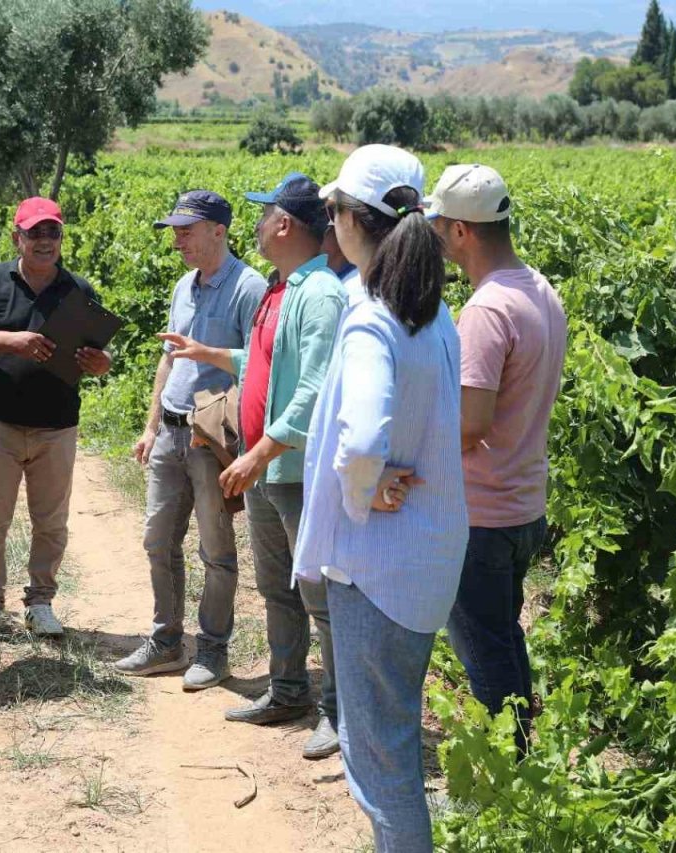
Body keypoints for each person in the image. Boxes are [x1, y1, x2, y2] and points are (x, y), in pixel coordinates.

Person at [296, 144, 468, 851]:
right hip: (427, 559)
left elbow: (362, 437)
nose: (327, 220)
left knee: (382, 762)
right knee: (396, 739)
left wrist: (359, 487)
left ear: (351, 221)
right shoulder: (435, 313)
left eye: (331, 209)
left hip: (377, 568)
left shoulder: (372, 316)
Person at [159, 173, 353, 759]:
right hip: (272, 471)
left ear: (285, 224)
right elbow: (265, 363)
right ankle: (288, 689)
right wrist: (209, 354)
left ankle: (337, 711)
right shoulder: (285, 288)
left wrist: (258, 452)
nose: (258, 225)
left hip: (293, 470)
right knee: (277, 587)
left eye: (264, 214)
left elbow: (315, 387)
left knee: (317, 594)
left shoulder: (319, 294)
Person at [428, 164, 567, 754]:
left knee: (484, 655)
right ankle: (524, 758)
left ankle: (506, 781)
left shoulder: (486, 311)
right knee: (504, 638)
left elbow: (470, 424)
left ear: (461, 232)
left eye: (438, 224)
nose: (432, 233)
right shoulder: (540, 289)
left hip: (482, 513)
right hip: (523, 504)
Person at [114, 191, 267, 690]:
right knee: (158, 540)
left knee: (216, 550)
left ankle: (214, 649)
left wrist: (243, 446)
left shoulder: (249, 287)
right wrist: (150, 425)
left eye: (187, 229)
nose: (178, 238)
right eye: (175, 229)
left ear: (219, 230)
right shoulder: (185, 284)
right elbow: (169, 357)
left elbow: (259, 366)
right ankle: (165, 642)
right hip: (171, 434)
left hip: (212, 440)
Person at [0, 197, 111, 642]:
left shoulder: (79, 291)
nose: (45, 241)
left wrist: (99, 363)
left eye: (53, 233)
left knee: (51, 521)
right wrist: (13, 341)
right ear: (17, 238)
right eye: (35, 233)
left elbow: (100, 356)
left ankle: (41, 602)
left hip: (57, 424)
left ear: (61, 238)